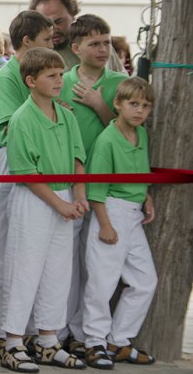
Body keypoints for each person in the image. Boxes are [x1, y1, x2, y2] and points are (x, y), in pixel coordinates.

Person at [1, 47, 87, 373]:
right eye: (51, 75)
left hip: (63, 197)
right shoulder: (22, 119)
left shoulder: (66, 115)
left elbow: (78, 159)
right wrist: (61, 204)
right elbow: (27, 174)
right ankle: (12, 342)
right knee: (25, 270)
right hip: (35, 199)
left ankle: (48, 340)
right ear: (31, 80)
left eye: (61, 74)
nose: (58, 81)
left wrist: (78, 197)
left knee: (57, 272)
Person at [0, 10, 55, 361]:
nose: (53, 44)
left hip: (41, 163)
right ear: (27, 42)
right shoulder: (10, 74)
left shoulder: (41, 74)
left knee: (29, 255)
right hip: (15, 163)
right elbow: (11, 127)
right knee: (3, 251)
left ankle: (22, 330)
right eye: (47, 39)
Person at [57, 14, 129, 354]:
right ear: (76, 47)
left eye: (107, 41)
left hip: (104, 185)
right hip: (69, 180)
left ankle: (87, 333)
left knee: (95, 264)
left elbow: (127, 131)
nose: (103, 49)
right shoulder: (63, 80)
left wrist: (101, 106)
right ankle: (58, 328)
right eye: (94, 43)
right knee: (66, 260)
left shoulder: (119, 82)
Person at [82, 77, 156, 369]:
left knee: (145, 281)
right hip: (110, 211)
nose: (139, 110)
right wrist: (105, 224)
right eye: (133, 104)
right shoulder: (107, 141)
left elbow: (139, 171)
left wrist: (146, 194)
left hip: (133, 214)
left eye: (145, 106)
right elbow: (97, 188)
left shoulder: (142, 134)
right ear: (118, 104)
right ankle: (94, 342)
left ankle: (119, 339)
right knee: (102, 282)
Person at [29, 0, 124, 73]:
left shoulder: (101, 46)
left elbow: (124, 85)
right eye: (46, 24)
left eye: (59, 21)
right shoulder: (35, 58)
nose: (53, 29)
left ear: (72, 15)